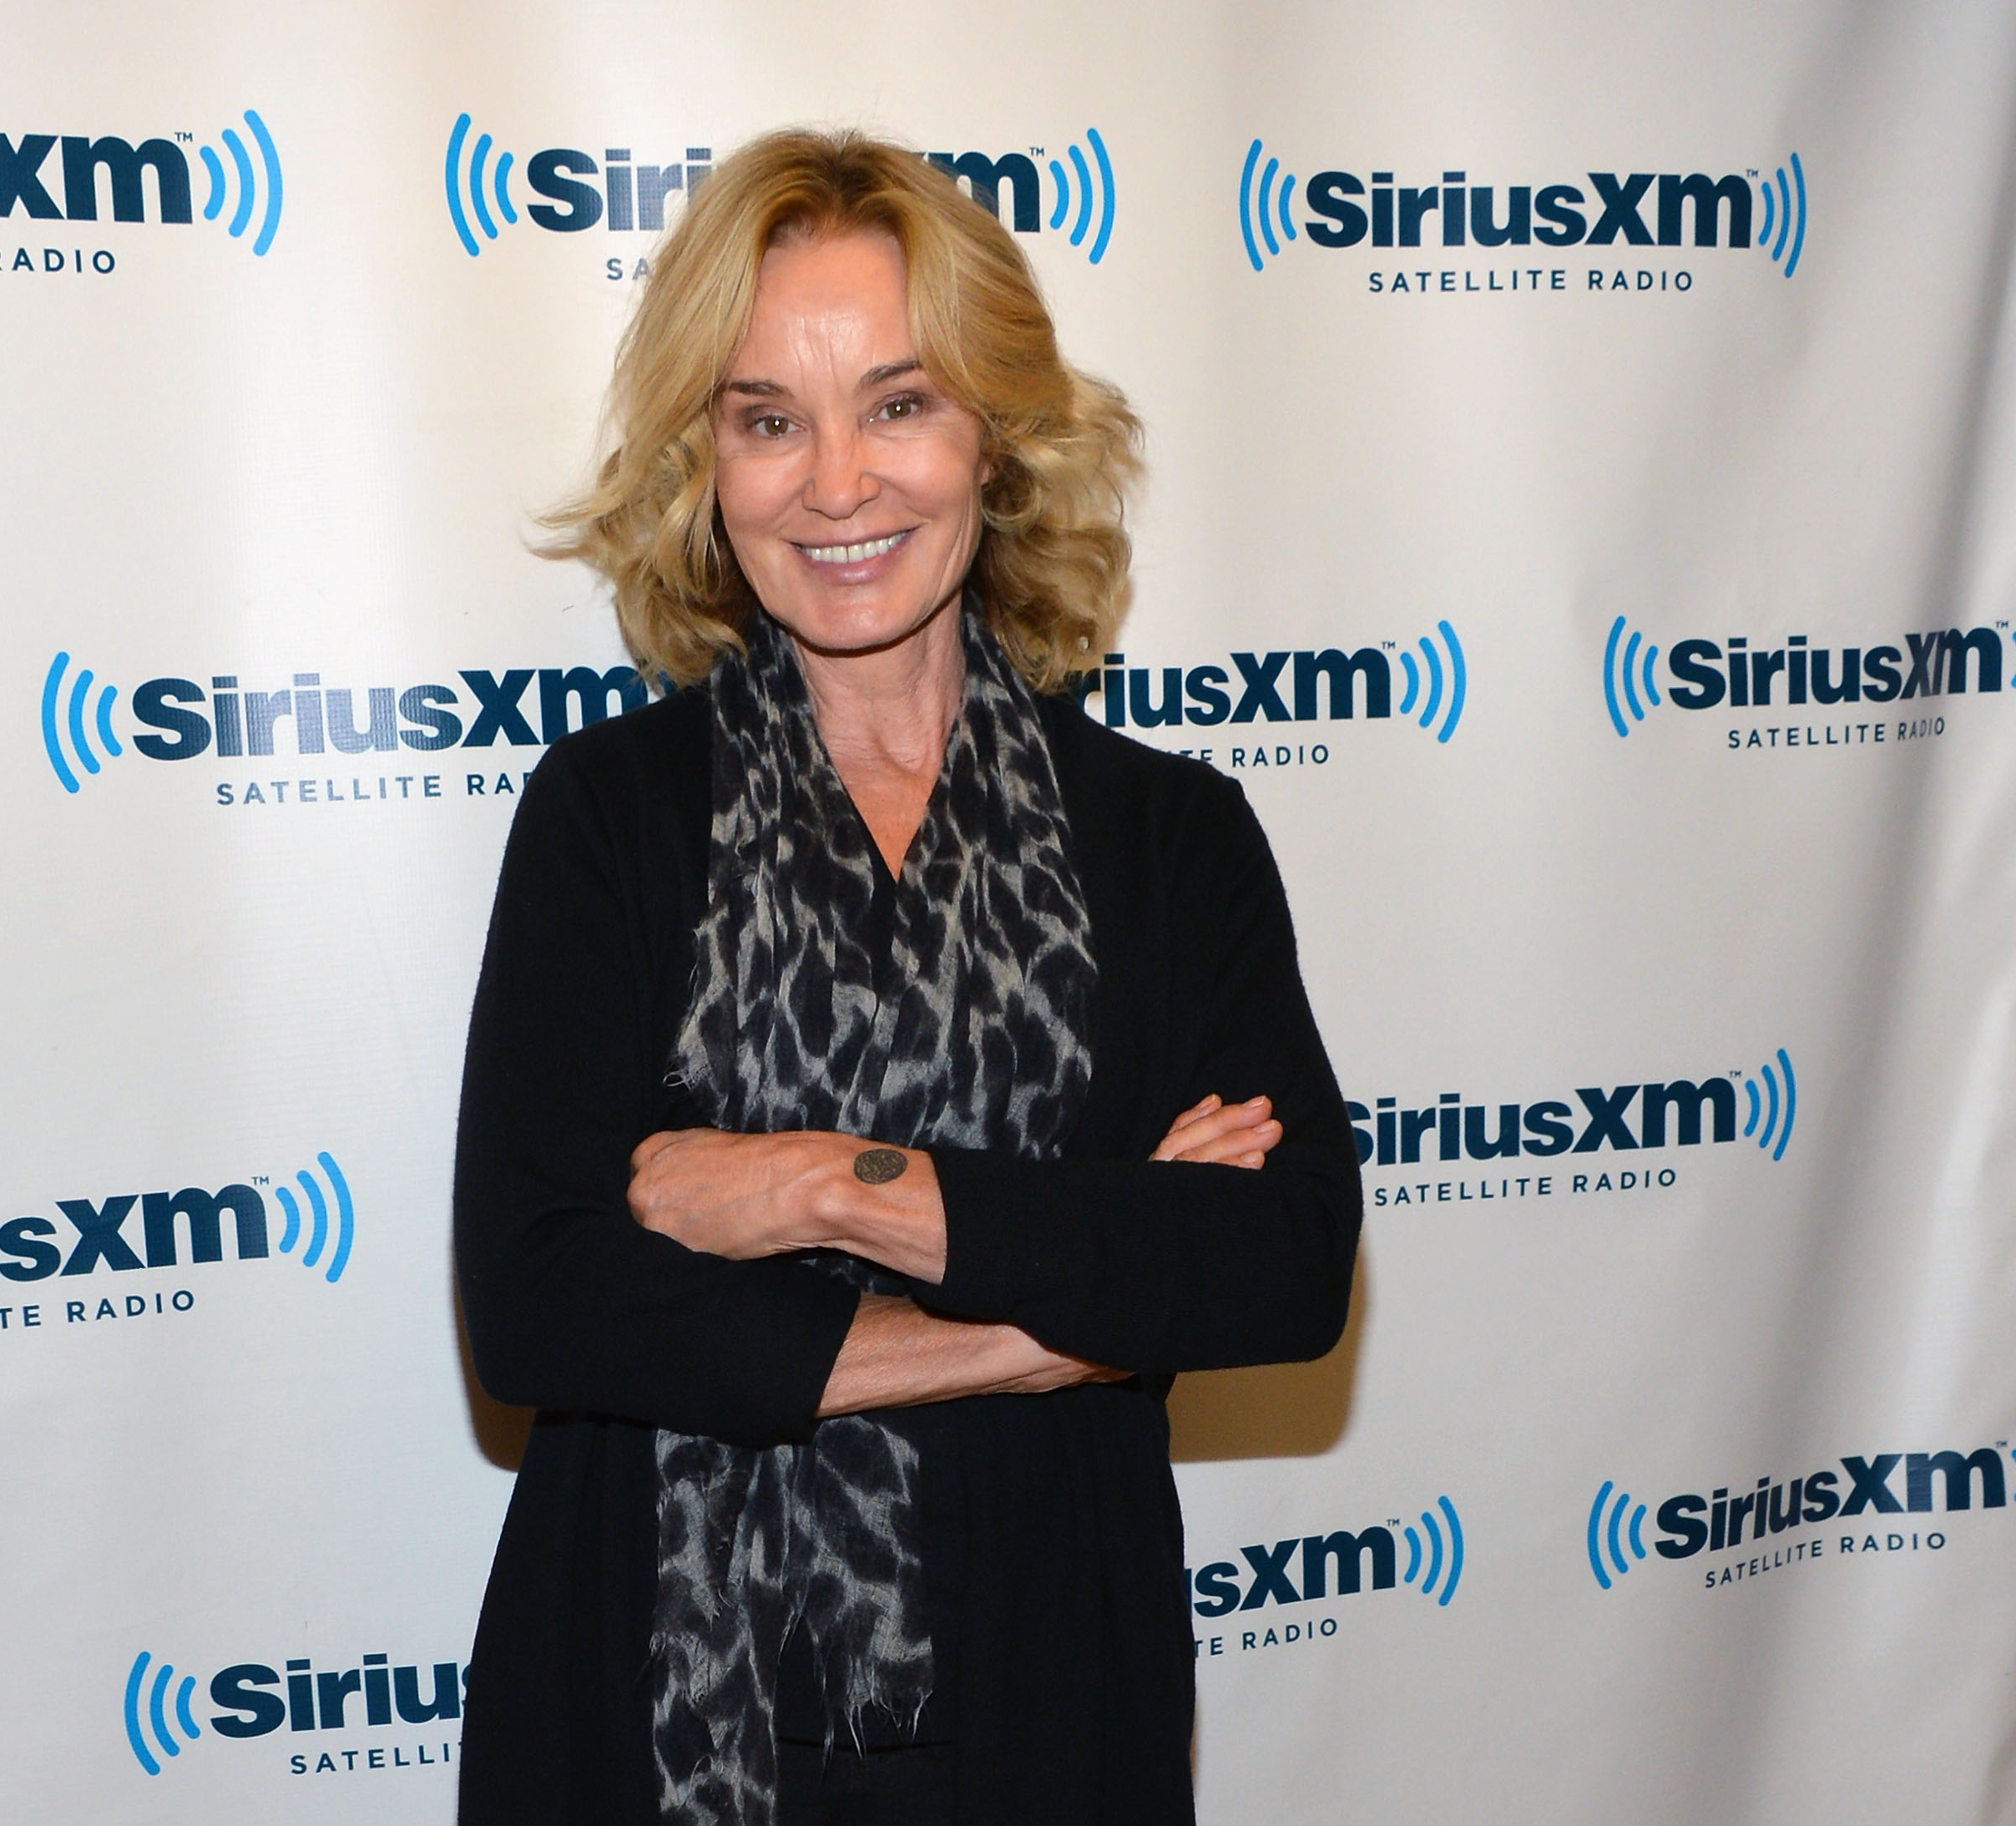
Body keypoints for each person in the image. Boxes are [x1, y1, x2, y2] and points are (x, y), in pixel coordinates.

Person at [453, 129, 1361, 1826]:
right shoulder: (608, 820)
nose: (838, 482)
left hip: (1048, 1701)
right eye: (766, 417)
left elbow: (1279, 1261)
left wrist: (821, 1187)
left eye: (899, 401)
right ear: (703, 462)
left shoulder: (1171, 836)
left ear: (995, 435)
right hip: (647, 1712)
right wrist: (1047, 1319)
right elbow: (539, 1300)